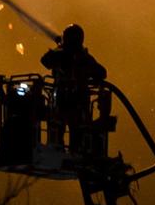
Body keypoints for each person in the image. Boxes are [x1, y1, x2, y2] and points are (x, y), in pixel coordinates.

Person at [42, 24, 109, 155]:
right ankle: (76, 153)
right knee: (77, 131)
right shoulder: (85, 58)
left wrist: (59, 48)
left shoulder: (61, 55)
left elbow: (45, 60)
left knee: (58, 127)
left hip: (62, 101)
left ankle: (56, 152)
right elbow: (102, 72)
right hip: (78, 103)